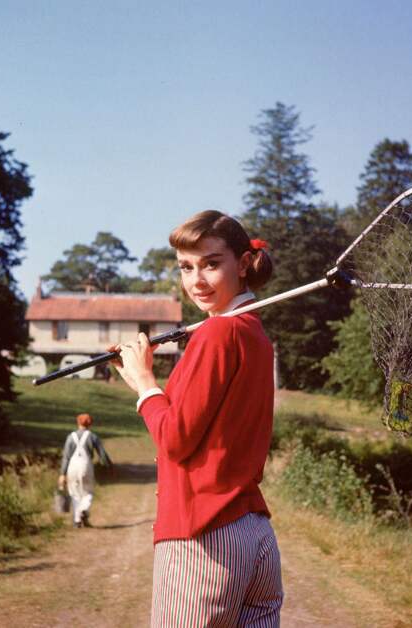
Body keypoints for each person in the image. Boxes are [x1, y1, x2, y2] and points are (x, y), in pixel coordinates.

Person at [111, 210, 283, 627]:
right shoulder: (252, 332)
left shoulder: (218, 334)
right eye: (186, 268)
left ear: (243, 264)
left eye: (211, 263)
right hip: (254, 535)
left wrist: (145, 382)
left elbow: (174, 439)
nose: (197, 281)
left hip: (204, 538)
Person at [58, 412, 113, 528]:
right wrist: (109, 466)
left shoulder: (70, 437)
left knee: (74, 493)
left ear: (78, 422)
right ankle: (84, 510)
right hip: (86, 466)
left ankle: (77, 520)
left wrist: (62, 474)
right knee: (88, 492)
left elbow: (66, 457)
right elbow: (102, 454)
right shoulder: (92, 437)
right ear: (90, 423)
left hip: (72, 467)